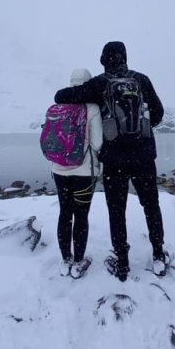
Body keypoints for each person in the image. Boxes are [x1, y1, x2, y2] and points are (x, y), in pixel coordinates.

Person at [54, 41, 166, 281]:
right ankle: (158, 255)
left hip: (114, 160)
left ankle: (122, 263)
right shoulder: (142, 80)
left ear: (104, 60)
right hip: (144, 156)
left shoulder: (100, 83)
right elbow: (158, 113)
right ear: (125, 57)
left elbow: (61, 96)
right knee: (151, 206)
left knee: (117, 211)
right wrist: (141, 129)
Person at [52, 68, 103, 279]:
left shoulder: (58, 105)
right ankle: (78, 262)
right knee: (81, 216)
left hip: (59, 170)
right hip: (83, 172)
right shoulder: (91, 108)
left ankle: (66, 260)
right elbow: (98, 143)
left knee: (65, 214)